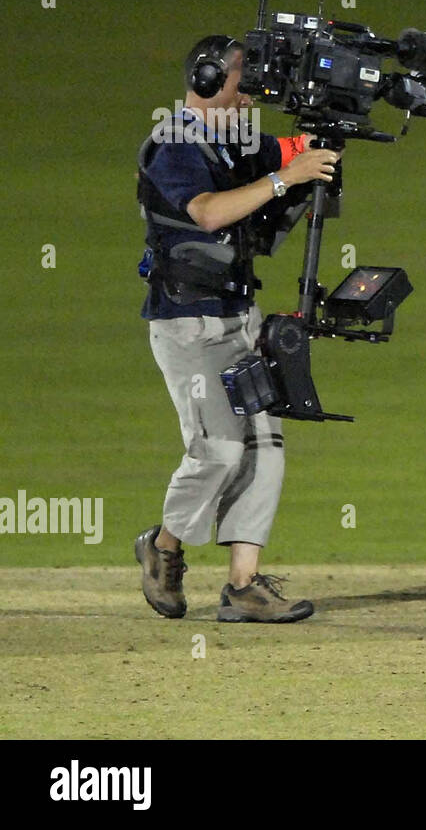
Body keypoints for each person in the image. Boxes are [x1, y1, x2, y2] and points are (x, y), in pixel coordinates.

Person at [135, 34, 336, 623]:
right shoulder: (173, 141)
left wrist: (322, 138)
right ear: (205, 80)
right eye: (246, 77)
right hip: (186, 322)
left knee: (265, 447)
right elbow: (207, 212)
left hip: (238, 319)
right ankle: (164, 547)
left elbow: (291, 150)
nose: (256, 89)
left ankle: (244, 586)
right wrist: (283, 178)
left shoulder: (239, 138)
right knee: (219, 449)